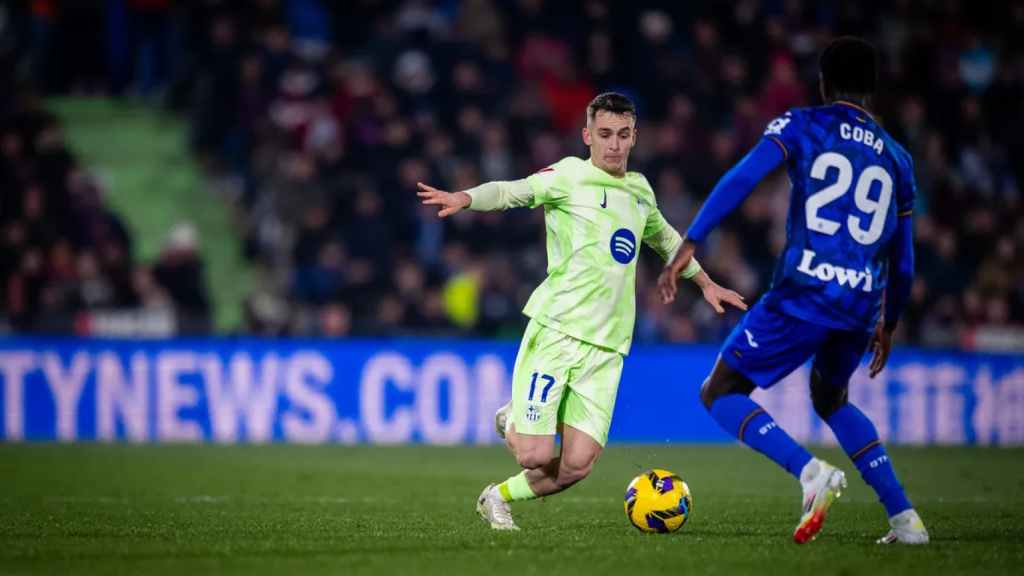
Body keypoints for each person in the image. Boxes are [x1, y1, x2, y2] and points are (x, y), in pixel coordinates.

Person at [417, 92, 746, 530]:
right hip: (558, 332)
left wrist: (705, 283)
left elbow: (665, 239)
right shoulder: (569, 176)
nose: (613, 144)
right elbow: (514, 191)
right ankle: (512, 416)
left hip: (608, 348)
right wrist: (465, 197)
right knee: (534, 453)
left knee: (575, 466)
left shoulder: (640, 190)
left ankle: (495, 497)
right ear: (587, 135)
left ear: (634, 138)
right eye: (605, 134)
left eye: (623, 135)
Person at [658, 37, 928, 545]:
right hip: (861, 303)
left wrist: (691, 240)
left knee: (720, 392)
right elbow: (905, 259)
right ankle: (905, 519)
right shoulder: (899, 158)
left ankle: (810, 473)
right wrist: (889, 322)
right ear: (872, 86)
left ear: (824, 83)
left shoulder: (803, 125)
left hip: (805, 290)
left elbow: (743, 177)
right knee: (833, 398)